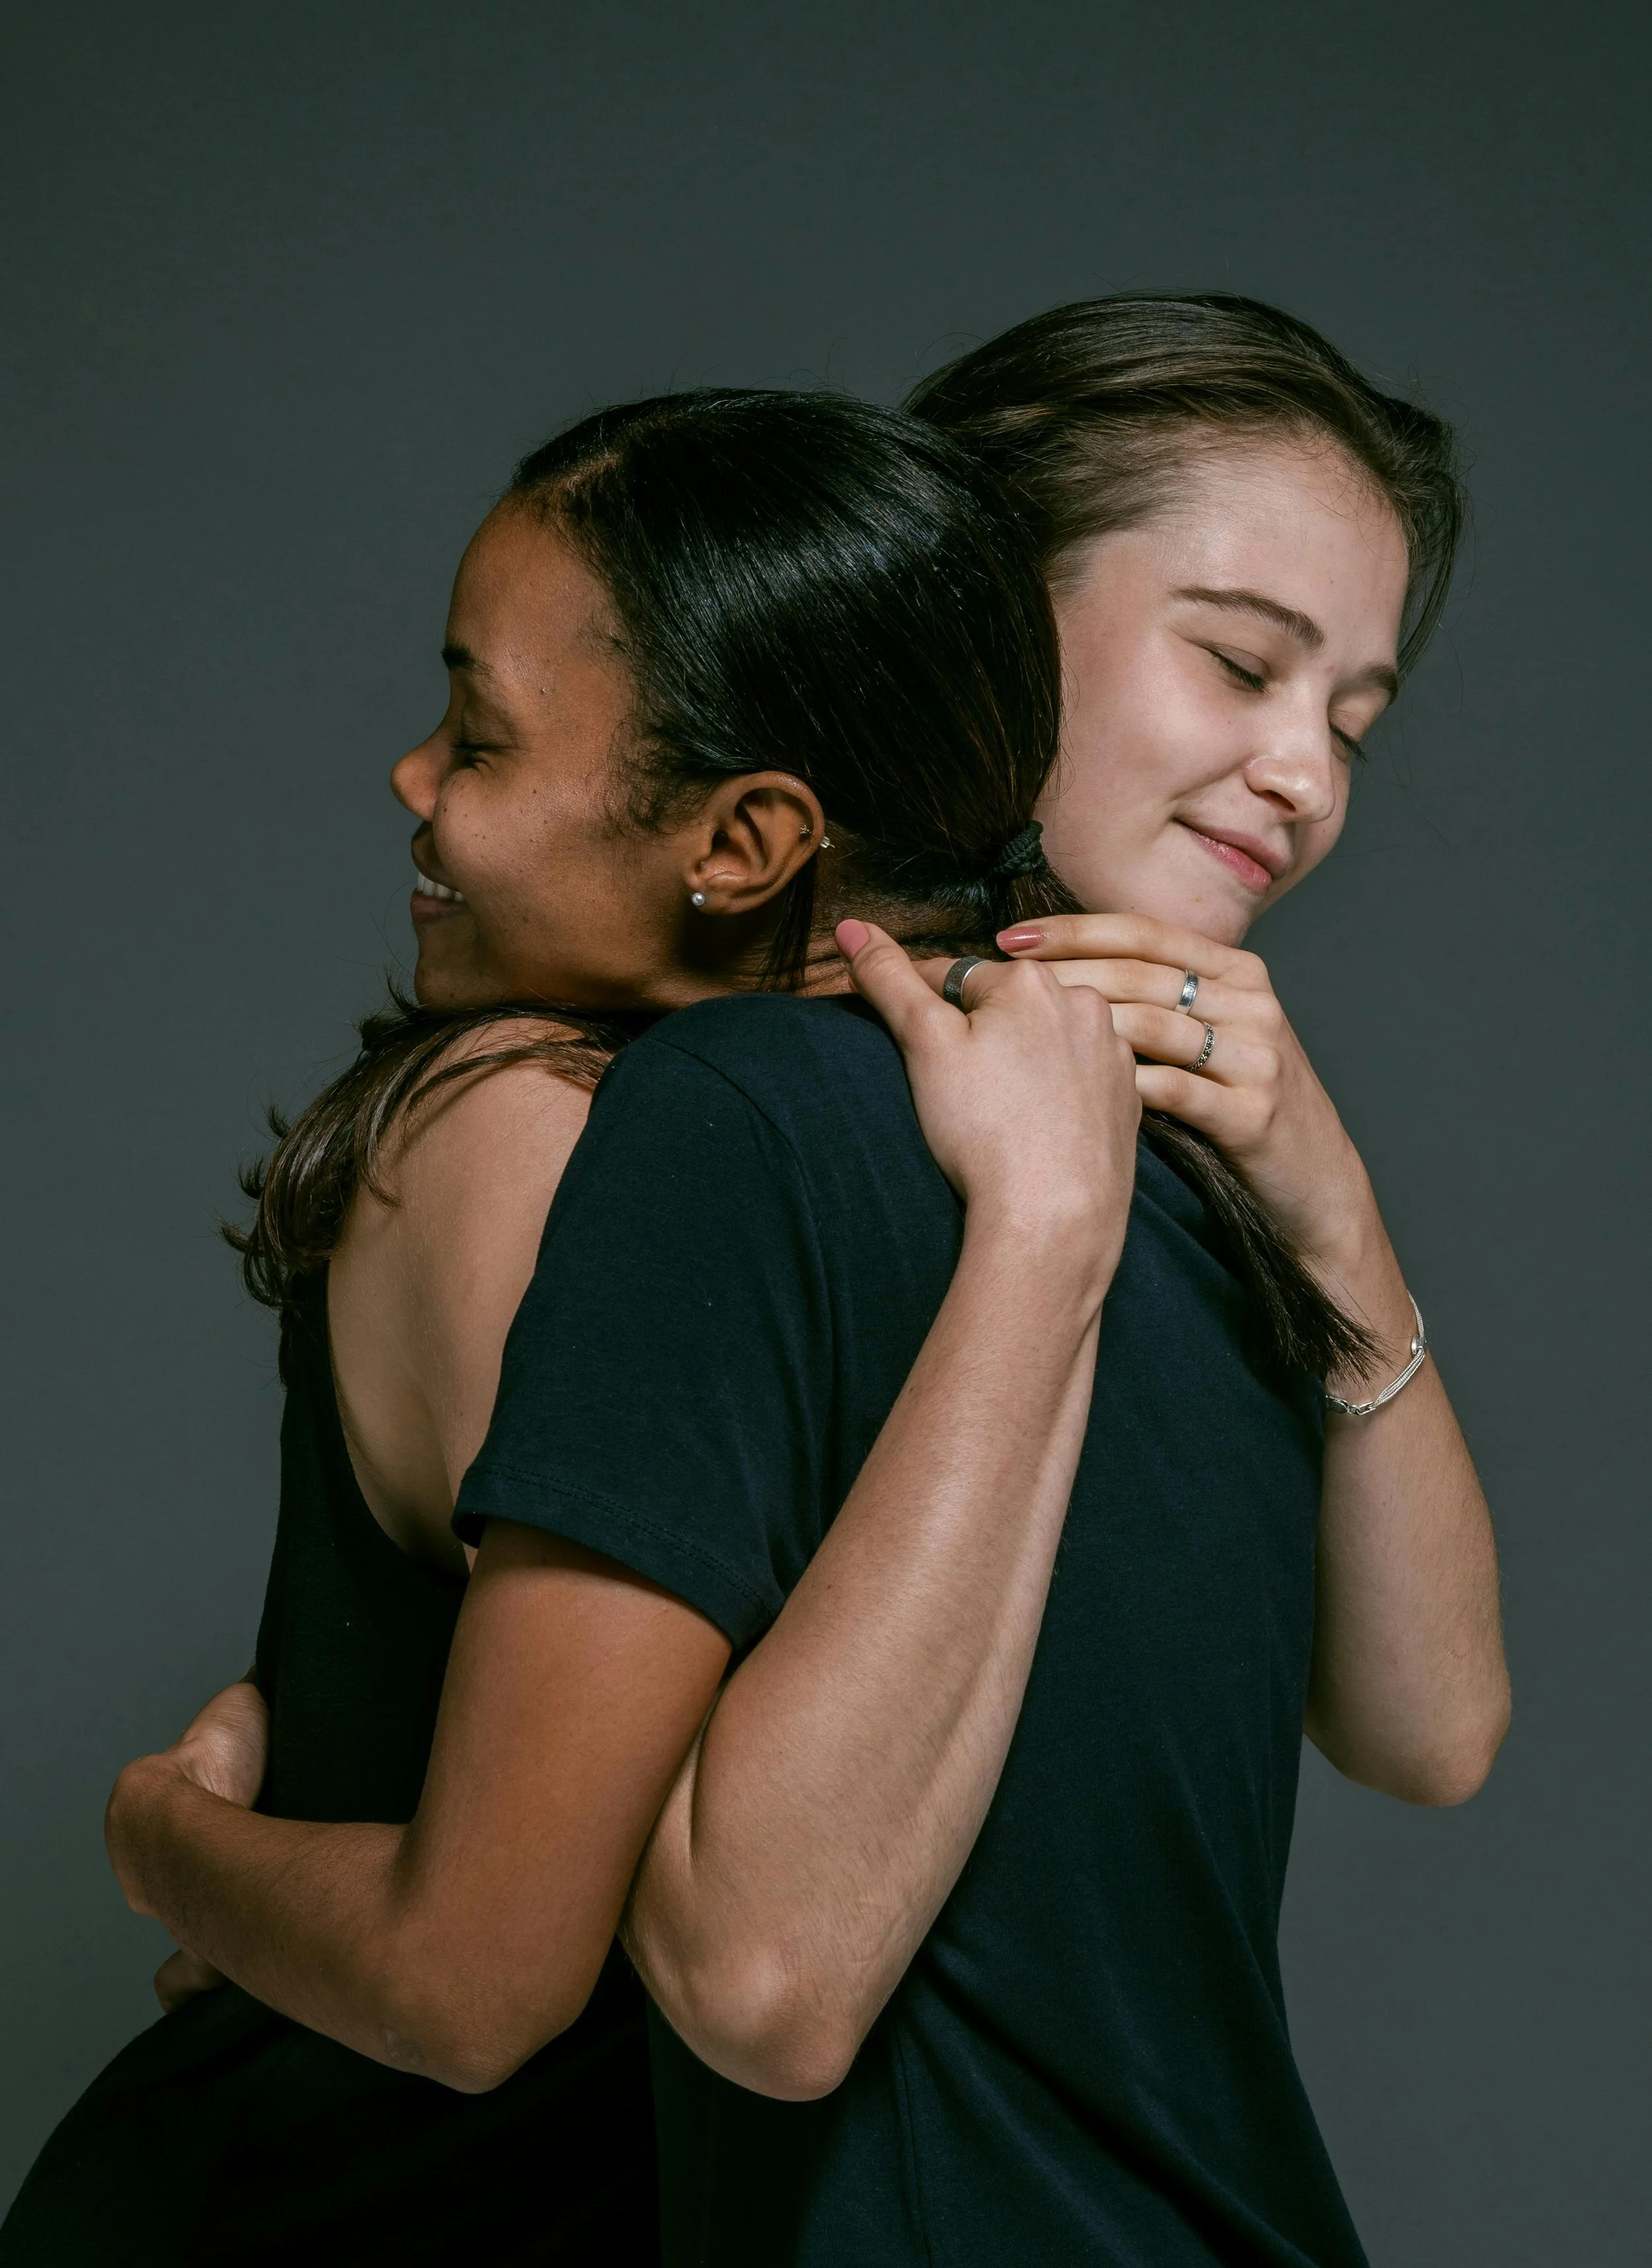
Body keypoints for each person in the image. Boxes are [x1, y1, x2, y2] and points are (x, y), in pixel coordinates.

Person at [94, 308, 1505, 2262]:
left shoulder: (1167, 1172)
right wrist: (244, 1869)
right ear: (966, 606)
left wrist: (1326, 1204)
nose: (1303, 774)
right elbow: (555, 1932)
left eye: (1350, 719)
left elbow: (1430, 1729)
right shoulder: (662, 1113)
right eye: (1239, 661)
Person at [1, 388, 1142, 2265]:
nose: (409, 781)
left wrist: (182, 1846)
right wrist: (164, 1845)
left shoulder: (829, 1147)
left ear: (747, 838)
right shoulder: (528, 1129)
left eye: (479, 734)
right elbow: (488, 1972)